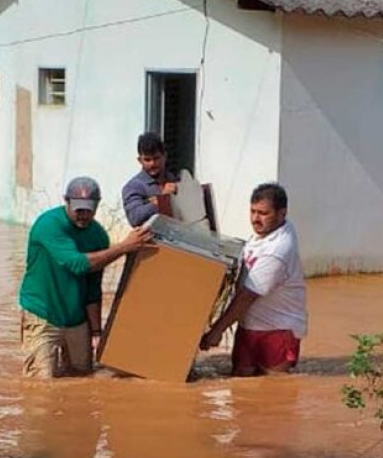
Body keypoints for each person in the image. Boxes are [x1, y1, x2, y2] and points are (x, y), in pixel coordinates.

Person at [20, 176, 152, 378]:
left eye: (88, 210)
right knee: (41, 386)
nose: (83, 215)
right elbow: (77, 264)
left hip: (76, 318)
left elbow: (93, 288)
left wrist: (96, 332)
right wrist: (125, 247)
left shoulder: (98, 235)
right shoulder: (48, 225)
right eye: (78, 209)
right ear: (66, 202)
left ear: (97, 206)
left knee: (83, 375)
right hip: (43, 314)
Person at [199, 183, 307, 376]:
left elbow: (247, 296)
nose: (255, 219)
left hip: (277, 330)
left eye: (263, 213)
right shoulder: (269, 232)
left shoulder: (277, 251)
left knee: (275, 389)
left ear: (282, 213)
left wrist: (217, 330)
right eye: (253, 211)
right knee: (242, 384)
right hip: (249, 325)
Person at [121, 132, 180, 227]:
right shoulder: (134, 186)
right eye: (147, 160)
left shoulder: (175, 180)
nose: (152, 163)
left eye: (156, 158)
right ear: (140, 160)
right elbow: (134, 218)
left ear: (164, 156)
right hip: (153, 240)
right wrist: (161, 199)